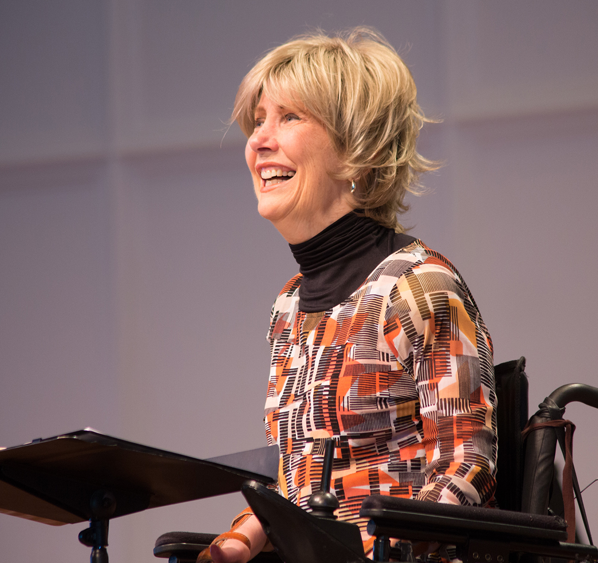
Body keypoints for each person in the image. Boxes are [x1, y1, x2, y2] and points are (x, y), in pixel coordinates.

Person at [200, 28, 497, 563]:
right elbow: (293, 479)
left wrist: (376, 551)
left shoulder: (417, 286)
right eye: (258, 120)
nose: (259, 140)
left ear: (360, 149)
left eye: (289, 117)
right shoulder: (288, 307)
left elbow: (466, 466)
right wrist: (236, 544)